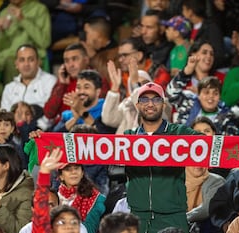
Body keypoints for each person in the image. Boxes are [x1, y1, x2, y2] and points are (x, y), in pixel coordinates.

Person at [124, 82, 201, 233]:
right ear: (138, 105)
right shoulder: (128, 137)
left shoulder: (179, 133)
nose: (150, 104)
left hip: (173, 217)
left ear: (164, 104)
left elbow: (212, 145)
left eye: (156, 99)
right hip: (138, 217)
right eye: (145, 100)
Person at [0, 0, 51, 90]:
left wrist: (23, 20)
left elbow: (44, 42)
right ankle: (4, 95)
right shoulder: (4, 12)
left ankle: (12, 98)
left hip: (29, 58)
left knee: (12, 62)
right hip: (5, 57)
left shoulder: (39, 9)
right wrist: (1, 31)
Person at [32, 148, 90, 233]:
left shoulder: (83, 229)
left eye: (74, 222)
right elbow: (41, 212)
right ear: (51, 227)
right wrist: (44, 172)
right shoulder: (42, 229)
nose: (69, 227)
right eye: (61, 222)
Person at [41, 43, 91, 130]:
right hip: (64, 129)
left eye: (74, 59)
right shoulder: (63, 82)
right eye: (67, 61)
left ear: (86, 60)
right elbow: (49, 113)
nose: (70, 65)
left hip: (86, 128)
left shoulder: (96, 80)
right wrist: (61, 85)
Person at [0, 44, 56, 111]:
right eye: (22, 60)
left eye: (31, 60)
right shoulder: (9, 88)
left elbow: (51, 115)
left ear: (38, 62)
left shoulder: (50, 82)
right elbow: (5, 116)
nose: (26, 64)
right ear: (16, 64)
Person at [57, 161, 106, 233]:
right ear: (61, 176)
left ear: (82, 173)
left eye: (76, 168)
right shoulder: (54, 197)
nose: (73, 172)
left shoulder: (96, 199)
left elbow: (91, 229)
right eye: (68, 169)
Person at [181, 0, 226, 68]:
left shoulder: (211, 27)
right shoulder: (188, 30)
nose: (182, 13)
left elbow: (219, 54)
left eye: (183, 9)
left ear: (190, 11)